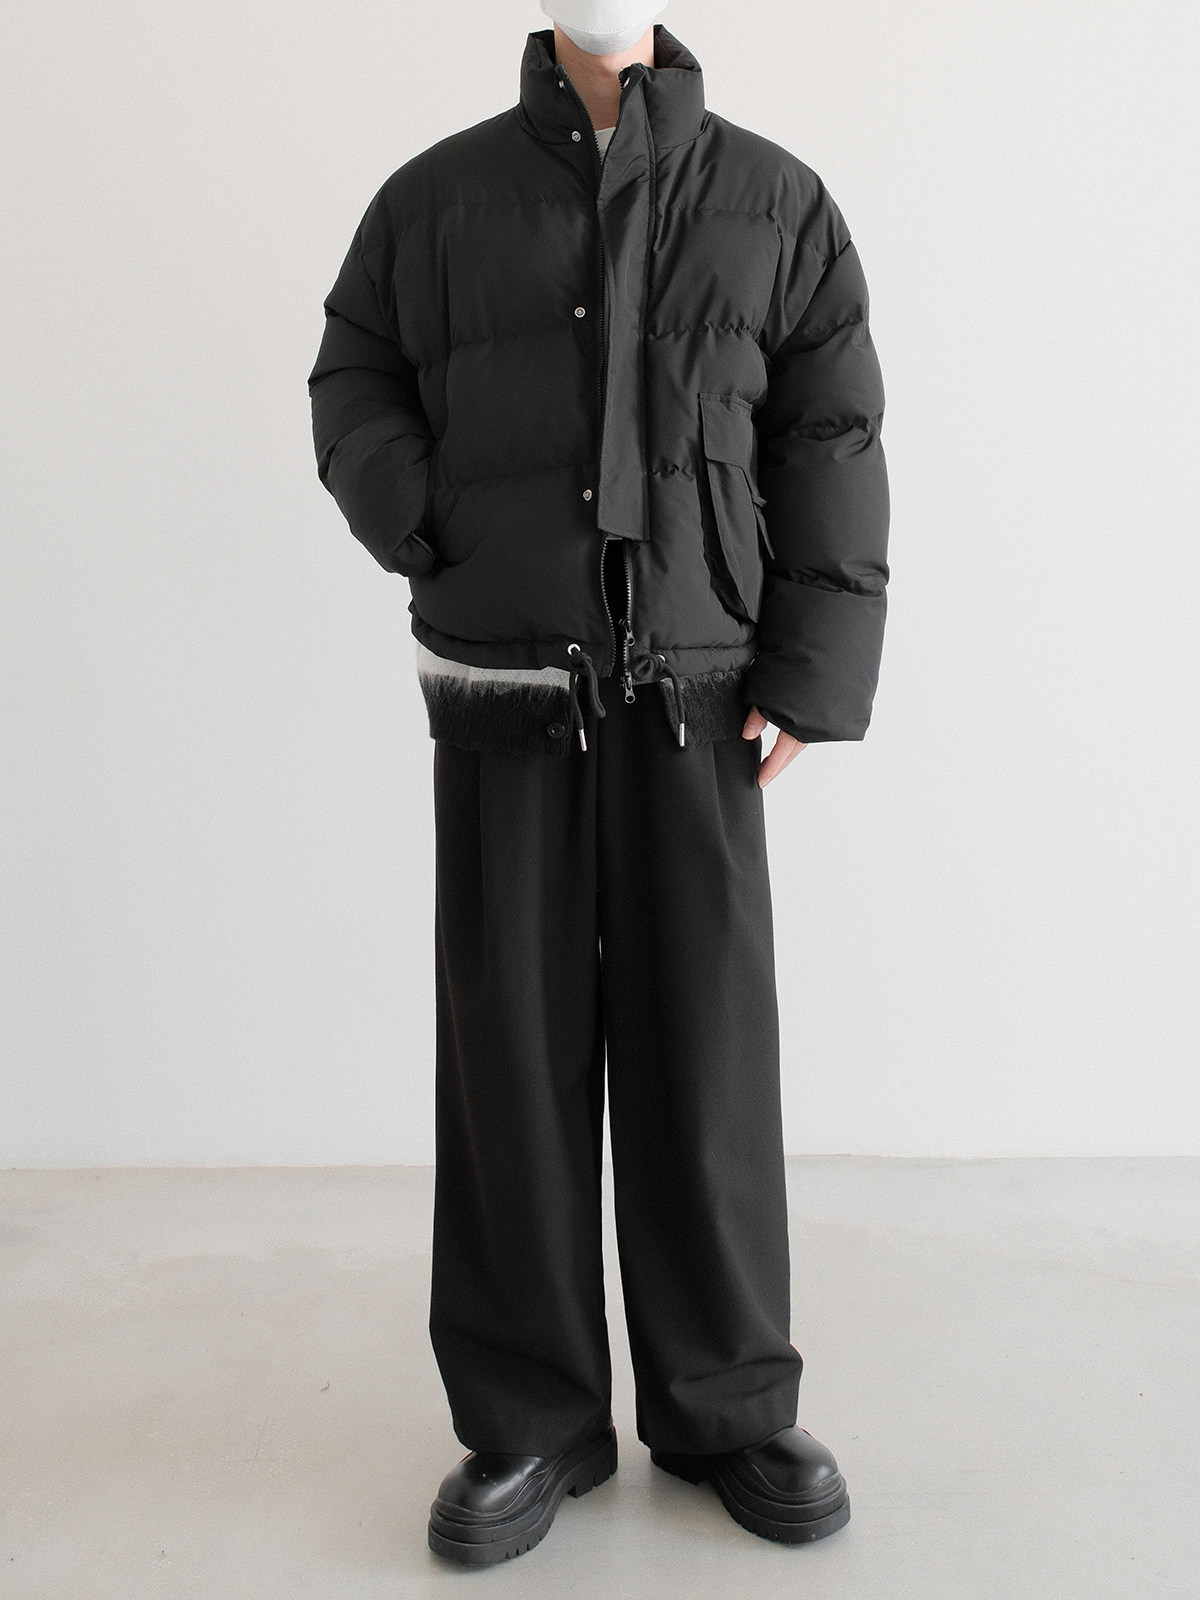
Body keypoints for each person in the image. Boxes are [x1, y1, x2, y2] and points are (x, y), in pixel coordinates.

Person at [307, 0, 889, 1566]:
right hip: (512, 681)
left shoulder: (775, 198)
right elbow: (352, 376)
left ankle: (727, 1405)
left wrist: (814, 668)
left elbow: (829, 431)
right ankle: (527, 1420)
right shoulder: (435, 199)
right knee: (510, 1054)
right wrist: (434, 530)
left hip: (703, 689)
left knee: (708, 1055)